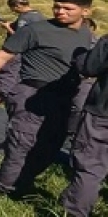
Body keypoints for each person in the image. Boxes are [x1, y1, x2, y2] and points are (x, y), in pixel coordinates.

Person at [0, 0, 94, 197]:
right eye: (57, 6)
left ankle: (21, 183)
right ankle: (0, 189)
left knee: (51, 146)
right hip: (32, 94)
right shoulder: (36, 30)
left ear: (85, 11)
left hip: (64, 99)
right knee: (22, 144)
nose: (60, 12)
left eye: (68, 8)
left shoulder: (87, 34)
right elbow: (1, 57)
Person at [61, 32, 108, 216]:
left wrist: (81, 55)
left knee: (90, 167)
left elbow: (90, 68)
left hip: (102, 113)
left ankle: (75, 212)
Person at [0, 0, 47, 102]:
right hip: (32, 51)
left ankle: (5, 95)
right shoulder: (39, 15)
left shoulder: (25, 18)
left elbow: (19, 37)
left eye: (12, 8)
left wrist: (8, 27)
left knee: (8, 73)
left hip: (18, 51)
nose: (12, 10)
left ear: (18, 6)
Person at [65, 18, 100, 146]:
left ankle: (71, 133)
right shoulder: (68, 39)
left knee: (79, 106)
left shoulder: (97, 44)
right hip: (67, 78)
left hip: (85, 80)